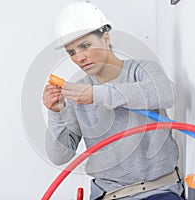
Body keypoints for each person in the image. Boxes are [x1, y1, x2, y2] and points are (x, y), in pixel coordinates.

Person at [42, 2, 184, 200]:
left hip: (159, 191)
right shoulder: (77, 94)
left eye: (85, 45)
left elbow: (166, 93)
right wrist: (56, 114)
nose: (80, 57)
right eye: (72, 52)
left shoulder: (140, 70)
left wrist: (96, 95)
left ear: (106, 38)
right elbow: (59, 157)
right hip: (109, 195)